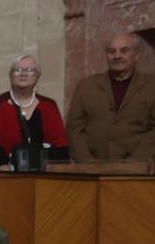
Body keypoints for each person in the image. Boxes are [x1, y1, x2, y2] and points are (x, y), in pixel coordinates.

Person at [66, 31, 155, 161]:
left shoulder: (151, 86)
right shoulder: (86, 86)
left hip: (138, 170)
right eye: (111, 51)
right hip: (92, 169)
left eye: (124, 51)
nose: (117, 56)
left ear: (136, 55)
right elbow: (74, 128)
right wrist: (86, 162)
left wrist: (135, 162)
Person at [0, 55, 69, 164]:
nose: (23, 74)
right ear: (10, 75)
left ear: (37, 76)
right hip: (5, 173)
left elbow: (61, 145)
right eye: (17, 70)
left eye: (30, 70)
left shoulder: (48, 105)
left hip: (43, 173)